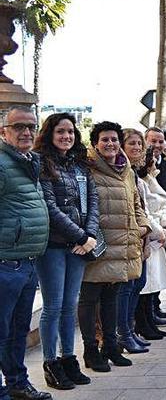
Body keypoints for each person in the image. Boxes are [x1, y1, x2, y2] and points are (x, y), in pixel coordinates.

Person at [32, 113, 97, 390]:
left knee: (70, 305)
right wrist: (81, 235)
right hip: (54, 246)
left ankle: (69, 358)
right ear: (50, 134)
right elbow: (50, 207)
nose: (66, 136)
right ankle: (51, 362)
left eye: (70, 132)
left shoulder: (80, 165)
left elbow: (92, 201)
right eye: (61, 131)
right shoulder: (42, 164)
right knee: (53, 306)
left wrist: (90, 235)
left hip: (80, 246)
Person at [81, 121, 149, 372]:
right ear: (95, 143)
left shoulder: (127, 170)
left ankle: (111, 346)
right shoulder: (87, 169)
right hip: (98, 245)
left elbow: (136, 203)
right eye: (104, 140)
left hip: (125, 243)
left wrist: (142, 228)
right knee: (90, 299)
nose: (110, 144)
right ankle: (91, 350)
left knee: (112, 298)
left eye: (113, 139)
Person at [1, 106, 51, 400]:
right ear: (3, 131)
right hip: (5, 262)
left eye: (31, 126)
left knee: (18, 330)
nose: (26, 132)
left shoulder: (28, 161)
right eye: (18, 126)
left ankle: (18, 383)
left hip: (27, 260)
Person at [133, 144, 166, 343]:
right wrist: (158, 231)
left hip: (158, 234)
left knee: (152, 282)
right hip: (148, 236)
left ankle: (149, 319)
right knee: (144, 284)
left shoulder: (150, 179)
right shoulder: (139, 181)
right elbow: (145, 211)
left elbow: (162, 206)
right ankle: (142, 323)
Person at [116, 129, 151, 354]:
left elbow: (139, 205)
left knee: (136, 284)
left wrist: (145, 227)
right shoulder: (121, 171)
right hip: (123, 238)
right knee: (126, 288)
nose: (137, 147)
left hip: (138, 235)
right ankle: (124, 334)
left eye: (140, 144)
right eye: (132, 143)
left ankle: (129, 331)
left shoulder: (132, 172)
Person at [145, 126, 166, 195]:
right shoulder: (138, 166)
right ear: (144, 142)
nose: (157, 145)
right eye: (153, 141)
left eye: (161, 142)